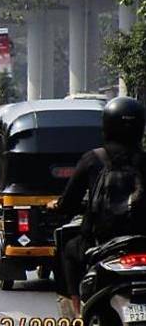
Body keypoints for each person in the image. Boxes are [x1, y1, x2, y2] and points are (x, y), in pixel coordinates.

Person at [48, 97, 146, 316]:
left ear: (106, 126)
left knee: (69, 249)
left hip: (102, 243)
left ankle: (76, 310)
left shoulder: (93, 159)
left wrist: (57, 206)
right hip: (142, 242)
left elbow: (69, 203)